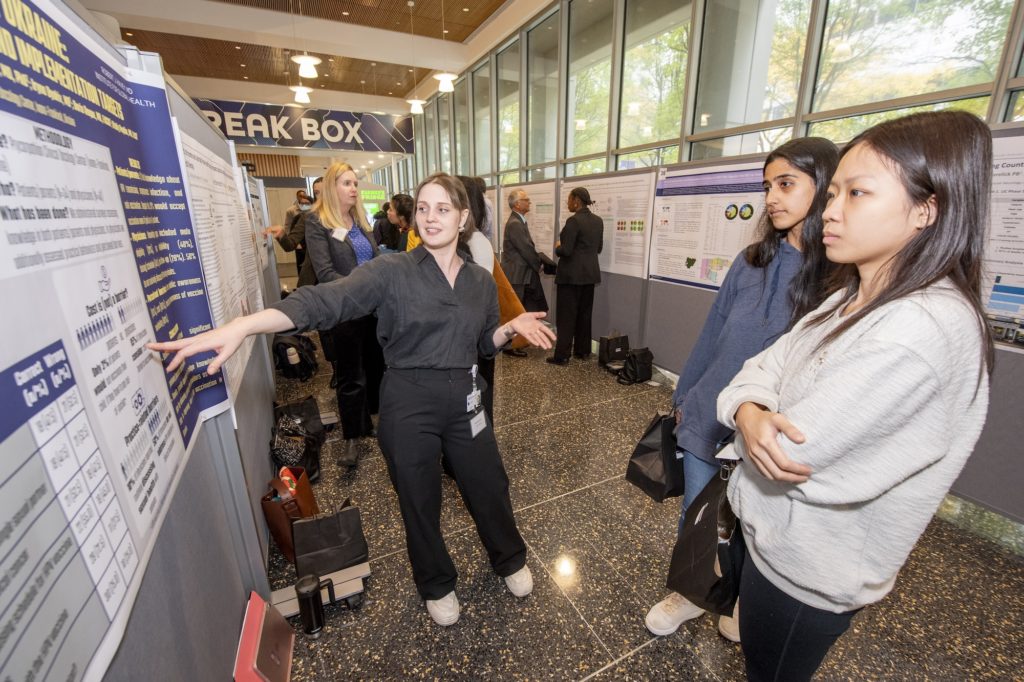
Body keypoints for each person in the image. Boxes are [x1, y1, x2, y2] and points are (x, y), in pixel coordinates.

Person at [147, 172, 556, 627]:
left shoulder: (479, 280)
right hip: (408, 401)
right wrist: (245, 326)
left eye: (443, 209)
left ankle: (509, 558)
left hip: (464, 397)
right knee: (418, 500)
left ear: (462, 218)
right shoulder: (392, 271)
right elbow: (326, 300)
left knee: (489, 485)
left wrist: (507, 329)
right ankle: (437, 583)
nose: (430, 217)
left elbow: (480, 344)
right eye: (423, 208)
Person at [718, 111, 995, 680]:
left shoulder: (919, 327)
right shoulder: (853, 296)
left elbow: (789, 453)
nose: (831, 210)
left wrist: (752, 417)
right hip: (772, 540)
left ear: (926, 209)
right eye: (833, 192)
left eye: (857, 193)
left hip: (807, 572)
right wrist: (748, 410)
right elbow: (759, 368)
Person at [645, 137, 839, 643]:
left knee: (757, 524)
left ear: (825, 187)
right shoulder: (750, 261)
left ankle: (739, 600)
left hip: (773, 433)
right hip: (711, 413)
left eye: (786, 184)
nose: (772, 197)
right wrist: (685, 396)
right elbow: (713, 333)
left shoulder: (840, 278)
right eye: (768, 186)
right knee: (700, 513)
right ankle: (691, 593)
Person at [303, 162, 385, 466]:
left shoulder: (360, 220)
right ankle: (351, 436)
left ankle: (367, 423)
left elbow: (375, 260)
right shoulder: (317, 222)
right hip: (345, 309)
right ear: (331, 186)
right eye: (347, 183)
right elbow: (325, 272)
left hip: (373, 309)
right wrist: (359, 291)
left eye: (355, 184)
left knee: (374, 368)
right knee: (351, 375)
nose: (353, 189)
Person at [548, 187, 603, 365]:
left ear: (577, 201)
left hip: (571, 277)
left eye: (569, 199)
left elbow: (566, 250)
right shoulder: (598, 221)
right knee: (584, 315)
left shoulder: (573, 221)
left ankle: (562, 355)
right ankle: (582, 351)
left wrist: (557, 246)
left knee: (566, 317)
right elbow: (599, 248)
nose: (568, 203)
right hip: (590, 276)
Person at [457, 175, 496, 417]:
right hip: (461, 344)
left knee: (477, 403)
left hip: (473, 341)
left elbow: (477, 301)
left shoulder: (476, 242)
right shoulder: (459, 240)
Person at [500, 189, 546, 357]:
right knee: (515, 312)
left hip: (520, 274)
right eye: (526, 199)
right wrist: (538, 264)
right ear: (517, 204)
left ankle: (516, 344)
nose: (529, 202)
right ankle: (510, 346)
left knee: (520, 310)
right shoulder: (515, 223)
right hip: (516, 275)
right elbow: (526, 249)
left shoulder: (519, 221)